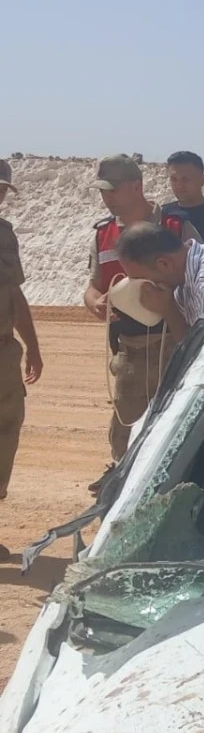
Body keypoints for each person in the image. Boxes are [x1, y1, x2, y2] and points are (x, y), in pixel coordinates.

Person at [83, 154, 201, 496]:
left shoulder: (177, 227)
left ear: (137, 186)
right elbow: (92, 287)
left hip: (174, 343)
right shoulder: (103, 235)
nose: (107, 197)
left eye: (113, 189)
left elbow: (198, 278)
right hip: (130, 351)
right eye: (102, 190)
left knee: (178, 427)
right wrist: (96, 302)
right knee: (127, 430)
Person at [116, 223, 204, 342]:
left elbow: (202, 355)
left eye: (139, 279)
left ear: (164, 264)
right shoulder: (197, 258)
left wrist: (168, 310)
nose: (141, 285)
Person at [0, 160, 42, 525]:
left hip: (3, 352)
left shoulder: (4, 234)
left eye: (2, 189)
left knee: (5, 434)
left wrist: (33, 347)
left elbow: (13, 294)